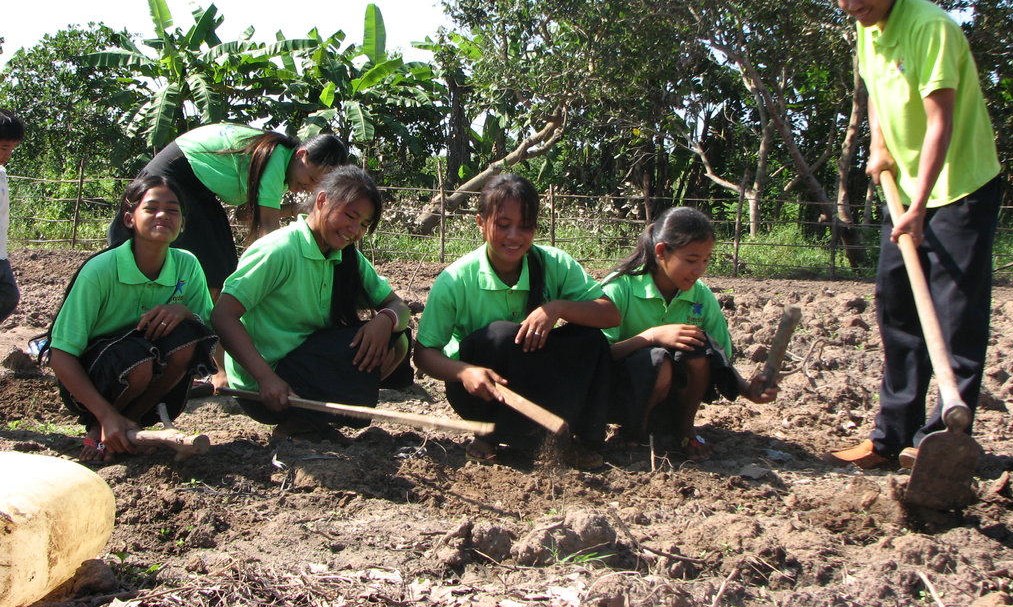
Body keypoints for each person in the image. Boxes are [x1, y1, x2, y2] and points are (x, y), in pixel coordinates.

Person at [822, 0, 1001, 469]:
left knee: (954, 314)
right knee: (896, 305)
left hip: (961, 187)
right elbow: (877, 91)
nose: (853, 5)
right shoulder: (868, 30)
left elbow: (940, 122)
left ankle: (940, 440)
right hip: (905, 190)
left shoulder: (932, 28)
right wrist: (877, 145)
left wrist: (922, 204)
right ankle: (890, 435)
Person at [413, 174, 620, 468]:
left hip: (537, 377)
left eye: (525, 226)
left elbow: (609, 315)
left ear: (535, 227)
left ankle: (575, 438)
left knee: (591, 340)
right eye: (503, 224)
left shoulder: (554, 263)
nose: (514, 236)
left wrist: (557, 308)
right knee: (500, 334)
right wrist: (464, 372)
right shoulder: (455, 280)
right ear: (481, 223)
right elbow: (424, 354)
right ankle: (491, 434)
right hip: (485, 390)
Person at [211, 165, 411, 440]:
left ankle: (310, 420)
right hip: (264, 384)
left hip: (308, 363)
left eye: (364, 225)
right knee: (374, 342)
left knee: (396, 338)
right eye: (350, 216)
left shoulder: (346, 257)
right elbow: (223, 315)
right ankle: (299, 420)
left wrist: (385, 320)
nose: (354, 230)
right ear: (321, 201)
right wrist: (265, 378)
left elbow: (399, 307)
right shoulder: (279, 251)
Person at [47, 176, 217, 462]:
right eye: (151, 208)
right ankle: (101, 425)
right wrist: (104, 414)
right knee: (138, 359)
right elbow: (61, 354)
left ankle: (132, 421)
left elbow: (208, 329)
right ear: (129, 218)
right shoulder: (100, 270)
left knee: (188, 335)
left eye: (173, 210)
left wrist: (185, 312)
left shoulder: (187, 264)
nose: (163, 215)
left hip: (149, 380)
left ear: (183, 223)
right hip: (94, 381)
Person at [602, 207, 778, 461]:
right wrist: (651, 336)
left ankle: (684, 429)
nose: (699, 270)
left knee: (698, 346)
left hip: (675, 396)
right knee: (657, 361)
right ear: (661, 252)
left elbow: (719, 358)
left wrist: (748, 390)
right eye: (691, 260)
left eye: (706, 261)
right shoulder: (620, 288)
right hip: (619, 393)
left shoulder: (700, 295)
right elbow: (599, 356)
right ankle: (633, 432)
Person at [110, 123, 348, 294]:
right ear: (302, 155)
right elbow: (267, 229)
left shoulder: (280, 164)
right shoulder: (276, 157)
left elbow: (245, 215)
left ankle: (207, 321)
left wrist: (294, 209)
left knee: (222, 262)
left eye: (318, 185)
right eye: (312, 178)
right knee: (212, 265)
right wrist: (283, 276)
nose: (310, 187)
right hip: (175, 174)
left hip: (197, 187)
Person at [0, 109, 25, 326]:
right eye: (4, 148)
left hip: (0, 252)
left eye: (11, 149)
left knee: (9, 297)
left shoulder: (1, 174)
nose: (8, 155)